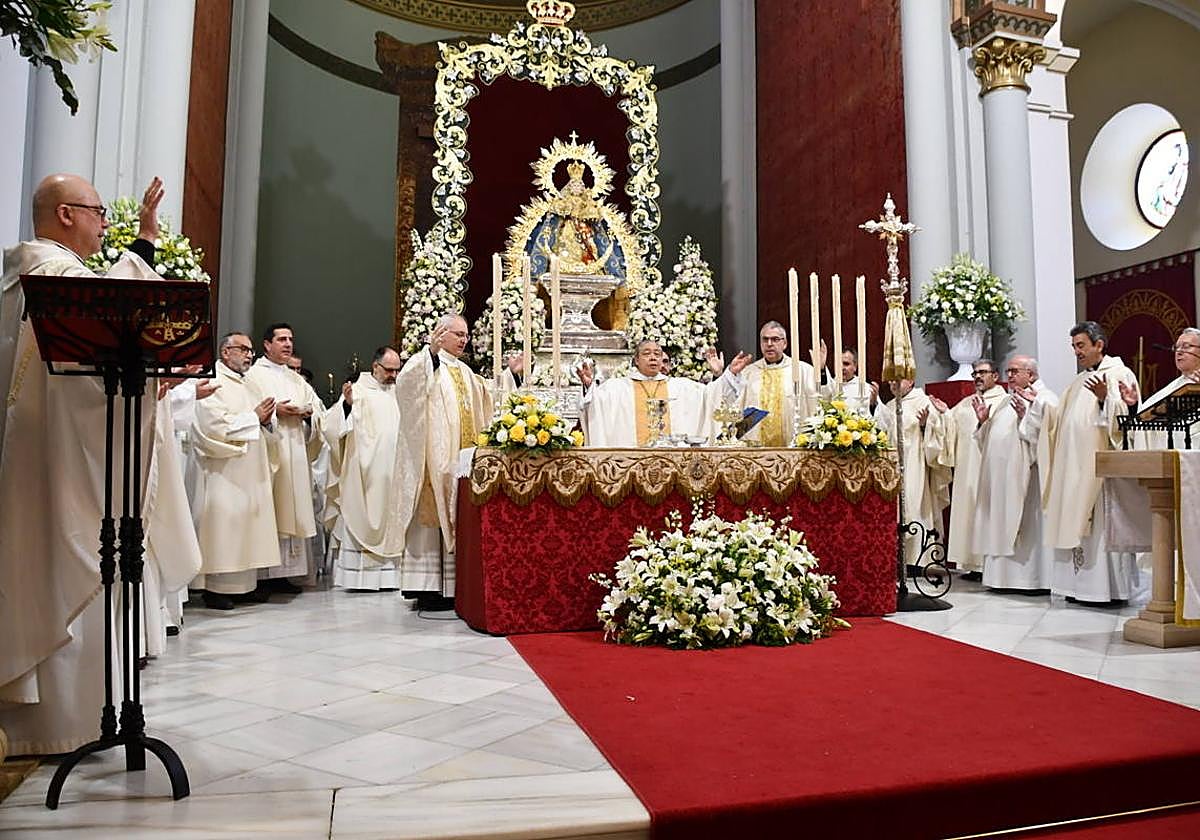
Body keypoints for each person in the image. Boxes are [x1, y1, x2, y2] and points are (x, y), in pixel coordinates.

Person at [0, 174, 197, 754]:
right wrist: (144, 243)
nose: (104, 224)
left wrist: (147, 384)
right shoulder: (54, 273)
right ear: (65, 213)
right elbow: (100, 336)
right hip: (55, 459)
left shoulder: (20, 276)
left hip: (38, 450)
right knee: (62, 559)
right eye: (97, 212)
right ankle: (59, 725)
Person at [393, 314, 493, 610]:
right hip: (433, 459)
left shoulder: (466, 372)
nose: (464, 340)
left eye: (466, 335)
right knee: (433, 514)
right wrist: (431, 354)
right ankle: (427, 587)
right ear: (440, 333)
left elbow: (486, 401)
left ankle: (454, 587)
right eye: (458, 334)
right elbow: (406, 387)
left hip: (460, 461)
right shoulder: (426, 363)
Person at [1042, 321, 1141, 604]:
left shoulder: (1120, 373)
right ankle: (1076, 588)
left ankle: (1107, 591)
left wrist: (1104, 400)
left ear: (1099, 345)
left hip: (1099, 471)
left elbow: (1128, 420)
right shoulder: (1076, 383)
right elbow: (1060, 422)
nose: (1077, 352)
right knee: (1075, 524)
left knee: (1099, 526)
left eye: (1081, 345)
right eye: (1074, 346)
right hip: (1073, 469)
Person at [191, 332, 282, 610]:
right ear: (225, 351)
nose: (249, 355)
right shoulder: (211, 381)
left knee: (248, 524)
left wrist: (266, 421)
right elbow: (212, 425)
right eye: (243, 349)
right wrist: (254, 418)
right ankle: (216, 589)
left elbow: (264, 419)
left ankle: (245, 587)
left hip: (251, 466)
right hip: (224, 468)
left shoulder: (249, 382)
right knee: (224, 526)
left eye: (250, 350)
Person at [244, 323, 326, 594]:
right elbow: (248, 410)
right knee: (270, 510)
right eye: (281, 339)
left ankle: (284, 575)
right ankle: (262, 577)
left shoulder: (296, 379)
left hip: (295, 452)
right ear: (267, 344)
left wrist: (308, 415)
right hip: (269, 454)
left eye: (290, 339)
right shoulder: (253, 375)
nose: (288, 344)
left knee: (291, 510)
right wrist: (275, 412)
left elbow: (318, 410)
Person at [971, 356, 1060, 592]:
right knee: (1000, 522)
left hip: (1028, 480)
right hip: (1001, 479)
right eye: (1008, 371)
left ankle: (1031, 580)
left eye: (1014, 371)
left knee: (1026, 526)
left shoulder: (1045, 398)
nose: (1009, 375)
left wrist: (1026, 416)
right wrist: (983, 423)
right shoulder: (1005, 401)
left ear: (1031, 374)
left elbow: (1049, 436)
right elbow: (989, 440)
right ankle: (1001, 579)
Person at [323, 346, 406, 590]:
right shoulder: (357, 390)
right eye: (389, 370)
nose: (393, 375)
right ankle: (361, 578)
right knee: (362, 513)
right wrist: (347, 406)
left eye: (397, 370)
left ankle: (392, 577)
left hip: (394, 471)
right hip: (365, 473)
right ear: (375, 367)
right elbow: (332, 427)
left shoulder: (400, 392)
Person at [578, 340, 750, 447]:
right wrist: (588, 385)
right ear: (636, 360)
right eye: (646, 353)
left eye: (657, 354)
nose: (653, 357)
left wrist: (729, 374)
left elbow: (711, 396)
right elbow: (594, 405)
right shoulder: (616, 388)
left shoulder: (681, 387)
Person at [930, 360, 1008, 579]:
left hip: (989, 470)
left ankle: (988, 566)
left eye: (983, 372)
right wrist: (944, 414)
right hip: (967, 472)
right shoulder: (966, 403)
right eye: (975, 373)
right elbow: (950, 428)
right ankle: (972, 564)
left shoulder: (1004, 402)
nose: (978, 377)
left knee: (987, 514)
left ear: (995, 375)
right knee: (968, 514)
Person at [873, 379, 951, 569]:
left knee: (915, 506)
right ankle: (896, 559)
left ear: (911, 381)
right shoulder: (890, 405)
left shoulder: (924, 402)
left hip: (915, 465)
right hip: (891, 468)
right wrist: (875, 403)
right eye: (891, 380)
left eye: (898, 380)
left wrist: (925, 426)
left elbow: (939, 437)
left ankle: (918, 560)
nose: (893, 383)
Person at [735, 321, 824, 446]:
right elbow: (732, 407)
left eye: (775, 339)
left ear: (785, 343)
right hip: (755, 450)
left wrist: (821, 370)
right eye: (765, 339)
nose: (769, 344)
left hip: (793, 448)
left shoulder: (802, 370)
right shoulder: (749, 373)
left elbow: (822, 399)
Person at [833, 349, 877, 417]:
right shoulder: (830, 386)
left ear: (855, 366)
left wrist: (873, 404)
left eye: (846, 364)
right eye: (838, 364)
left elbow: (877, 416)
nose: (842, 368)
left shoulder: (866, 388)